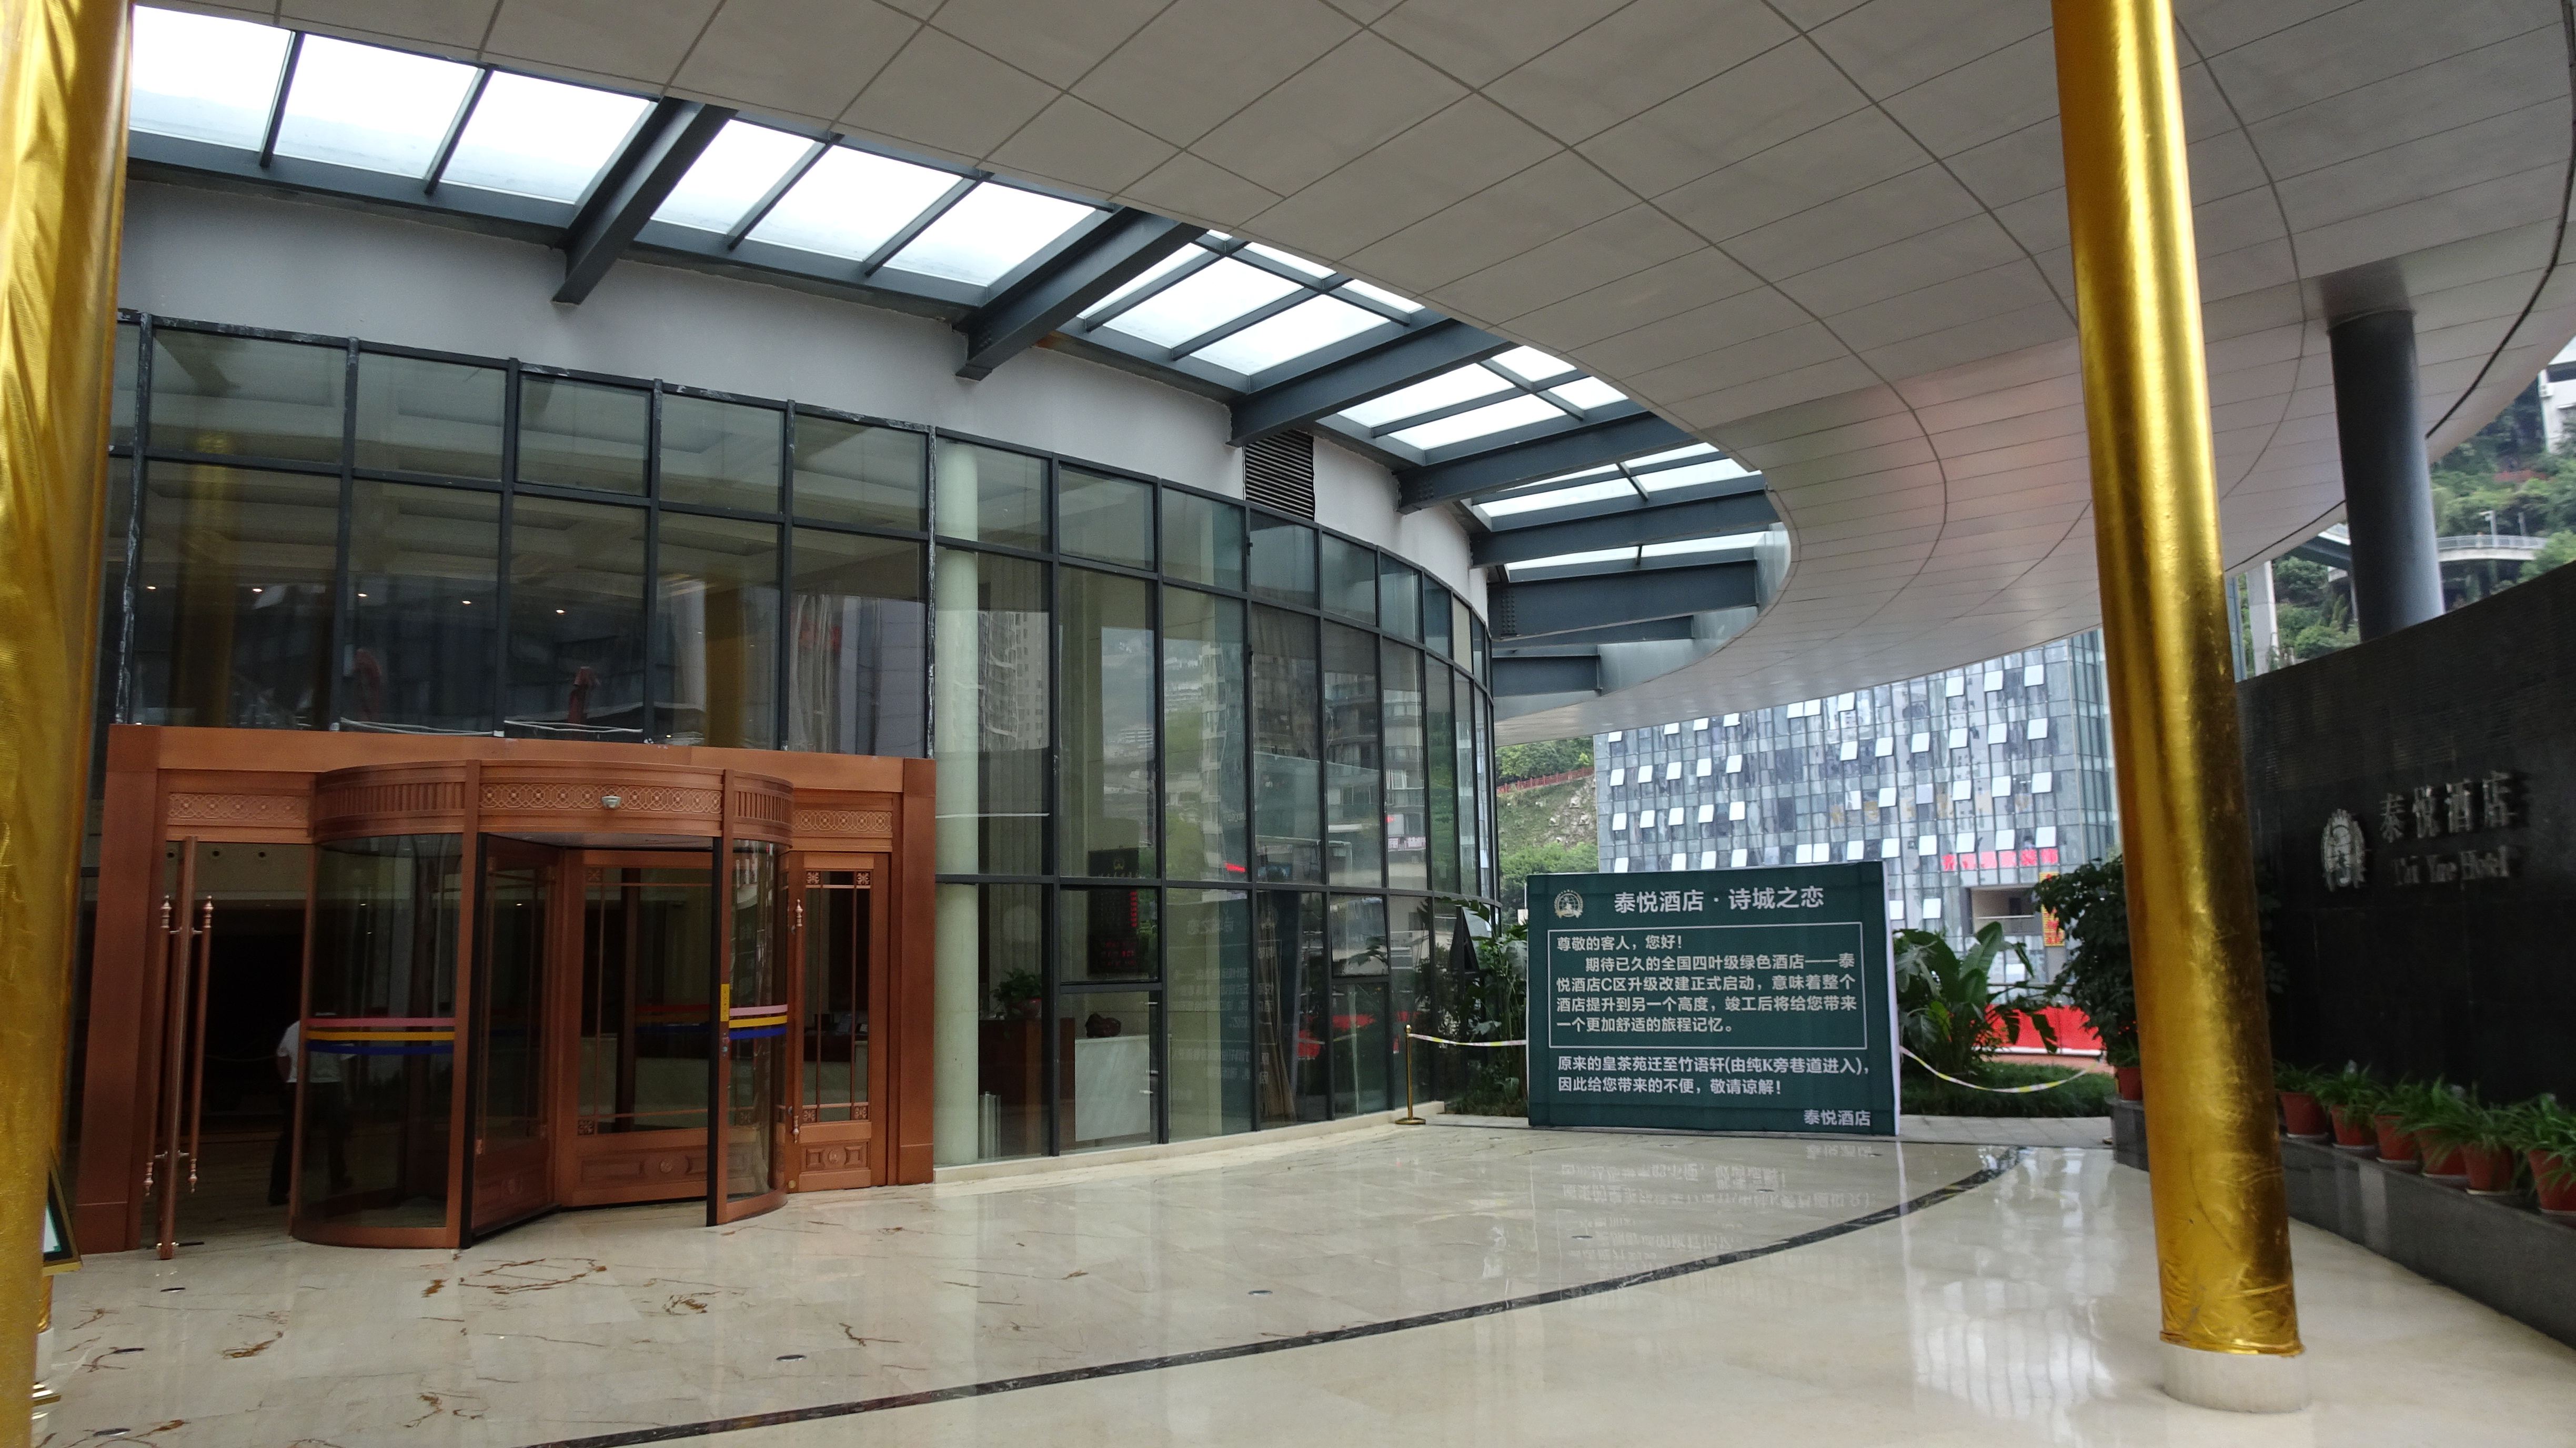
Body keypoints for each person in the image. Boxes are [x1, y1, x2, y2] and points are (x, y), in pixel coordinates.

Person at [269, 1016, 348, 1205]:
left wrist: (290, 1080)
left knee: (291, 1137)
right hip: (330, 1085)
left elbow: (282, 1057)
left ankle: (279, 1188)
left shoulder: (295, 1028)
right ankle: (337, 1178)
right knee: (335, 1135)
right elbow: (345, 1062)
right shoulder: (335, 1028)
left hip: (299, 1085)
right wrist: (347, 1091)